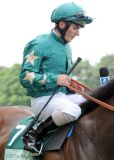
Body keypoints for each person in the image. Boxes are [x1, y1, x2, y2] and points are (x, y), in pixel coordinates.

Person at [19, 2, 93, 153]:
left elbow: (62, 79)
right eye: (75, 27)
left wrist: (71, 86)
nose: (78, 33)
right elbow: (25, 77)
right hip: (42, 100)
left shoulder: (67, 47)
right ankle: (35, 135)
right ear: (62, 24)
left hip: (62, 98)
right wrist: (55, 79)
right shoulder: (40, 43)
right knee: (73, 111)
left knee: (92, 102)